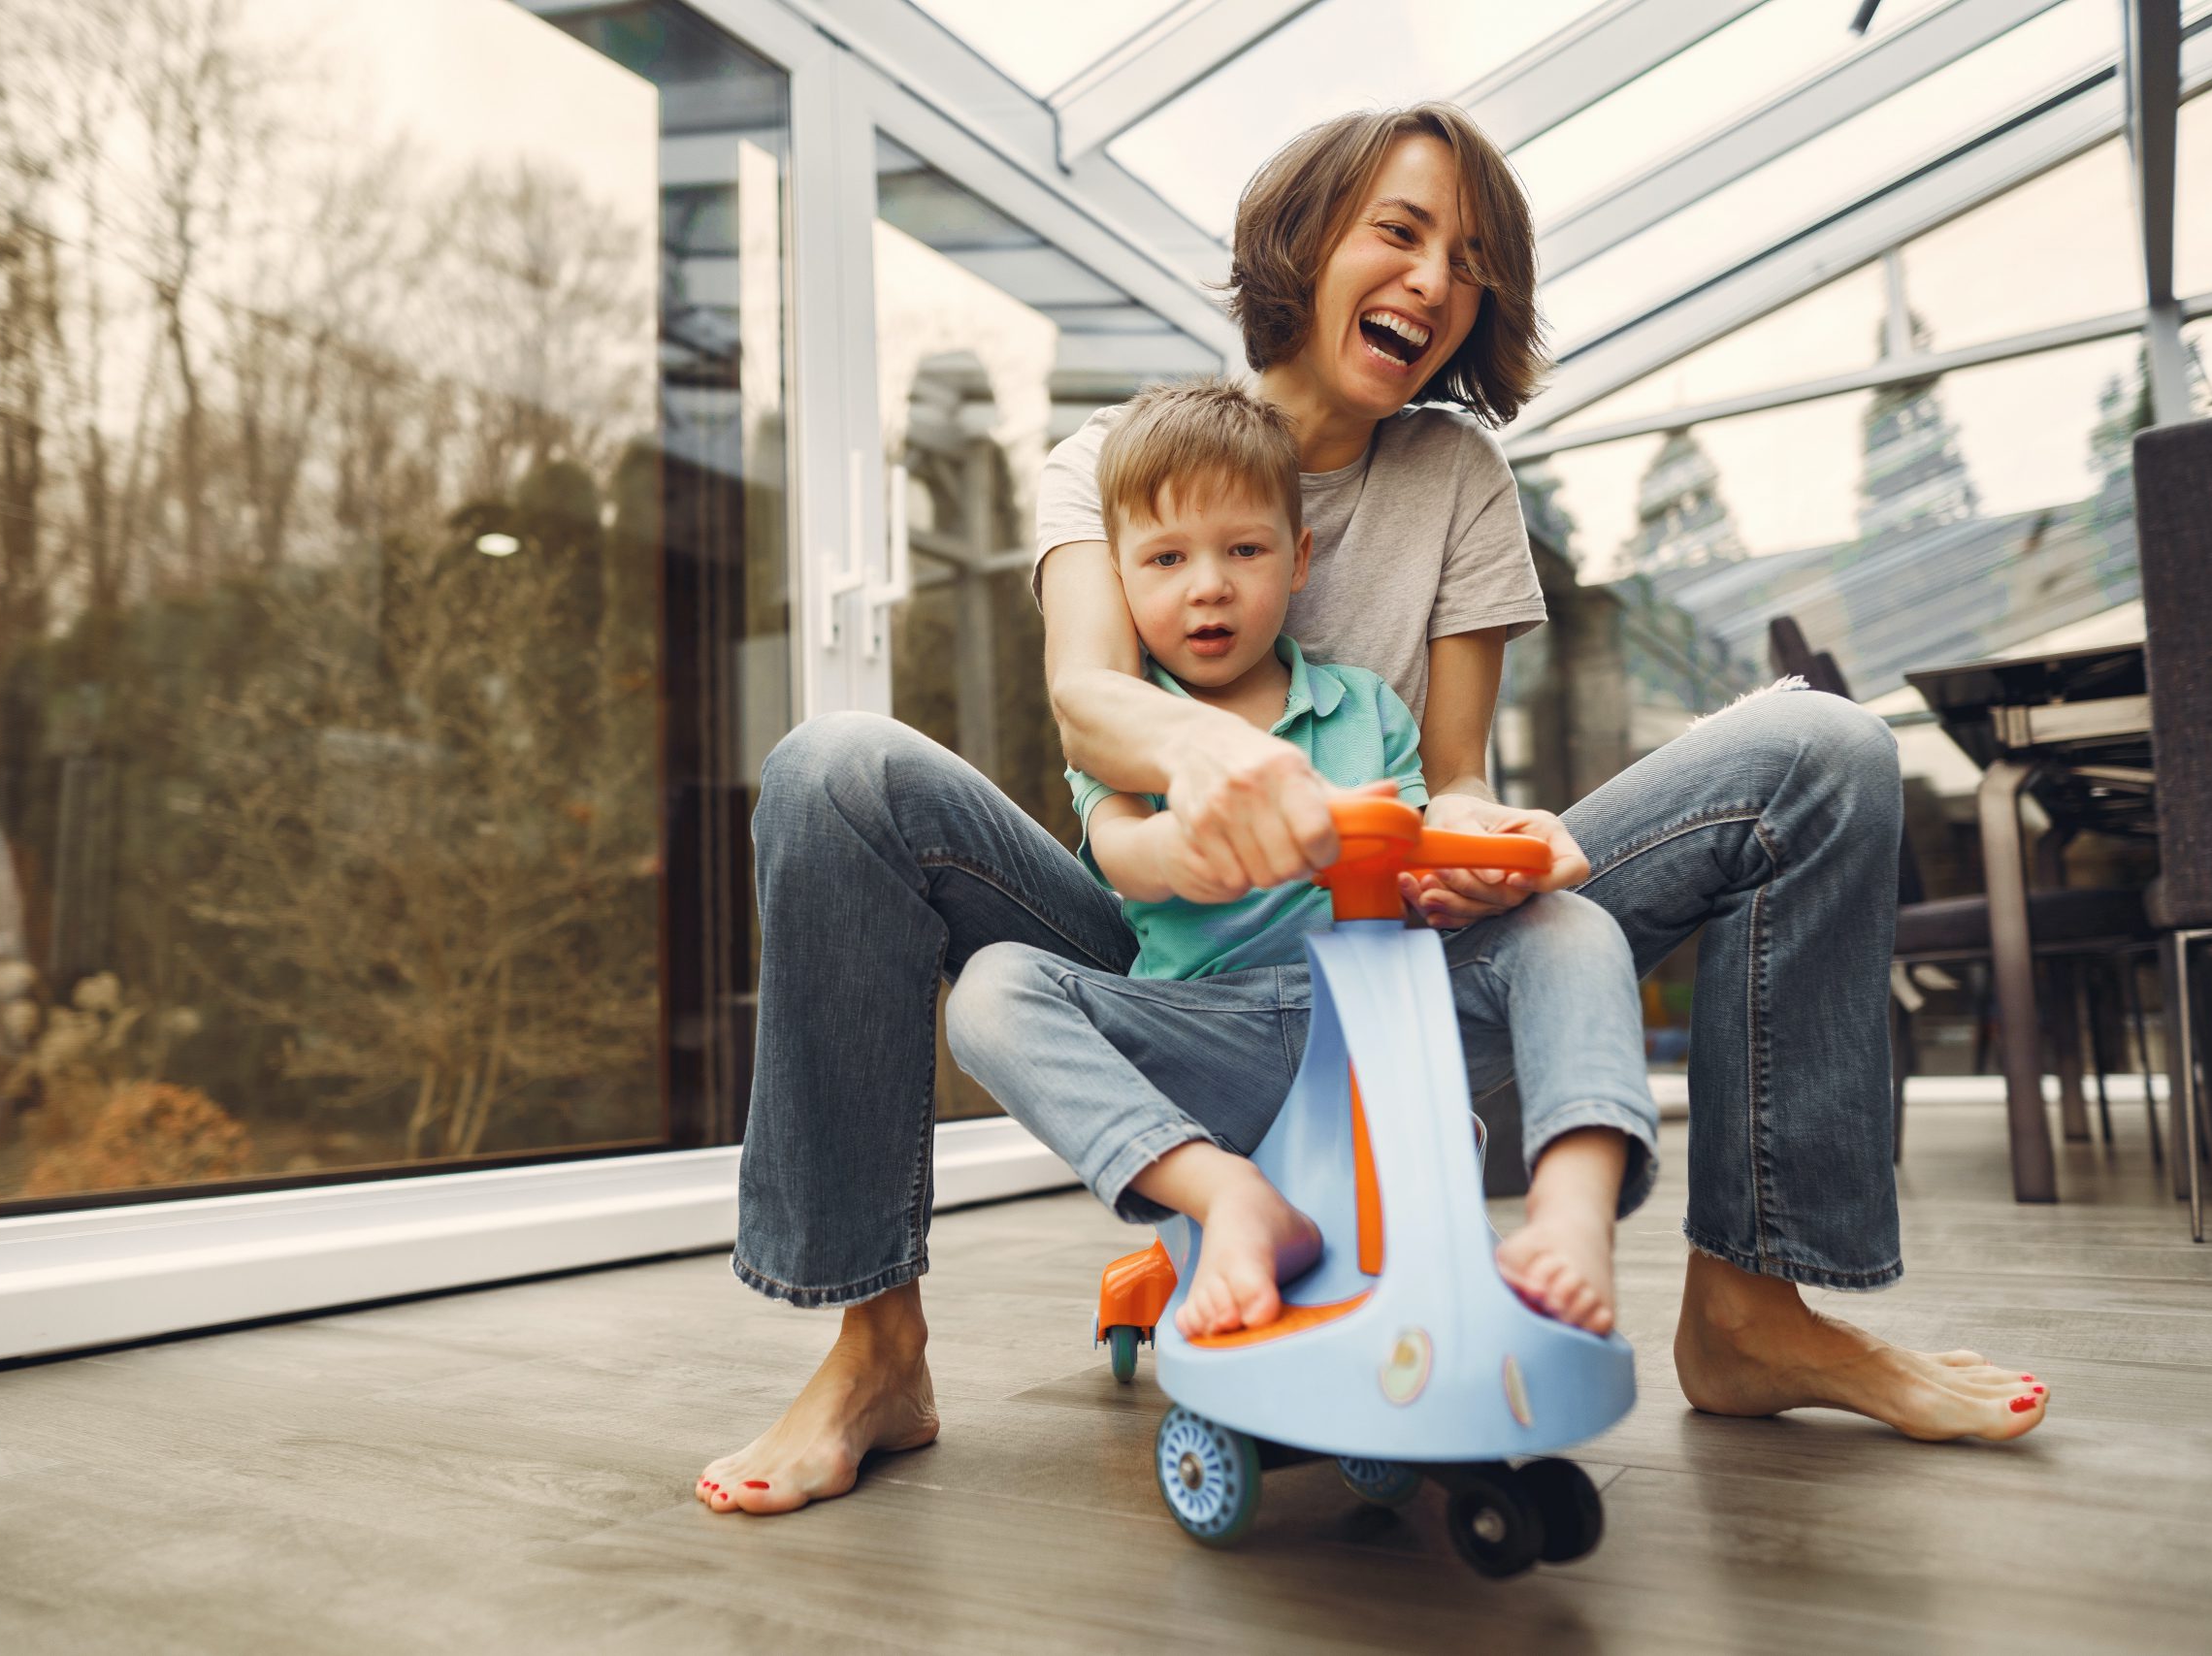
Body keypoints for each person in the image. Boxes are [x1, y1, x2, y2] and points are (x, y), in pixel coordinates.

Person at [697, 102, 2048, 1521]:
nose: (1430, 279)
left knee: (1825, 745)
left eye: (1466, 260)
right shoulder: (1110, 455)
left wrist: (1479, 851)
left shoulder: (1456, 474)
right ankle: (876, 1351)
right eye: (1397, 232)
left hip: (1385, 949)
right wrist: (1201, 762)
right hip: (1156, 930)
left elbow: (1452, 766)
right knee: (834, 766)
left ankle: (1753, 1313)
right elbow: (1091, 699)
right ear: (1305, 238)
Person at [945, 377, 1653, 1342]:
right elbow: (1119, 856)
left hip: (1374, 1022)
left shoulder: (1367, 710)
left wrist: (1472, 872)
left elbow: (1412, 862)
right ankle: (1226, 1194)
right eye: (1164, 558)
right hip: (1199, 1033)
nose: (1209, 584)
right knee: (990, 990)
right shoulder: (1128, 731)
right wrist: (1181, 848)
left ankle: (1570, 1214)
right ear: (1118, 576)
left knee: (1571, 926)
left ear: (1299, 557)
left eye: (1243, 549)